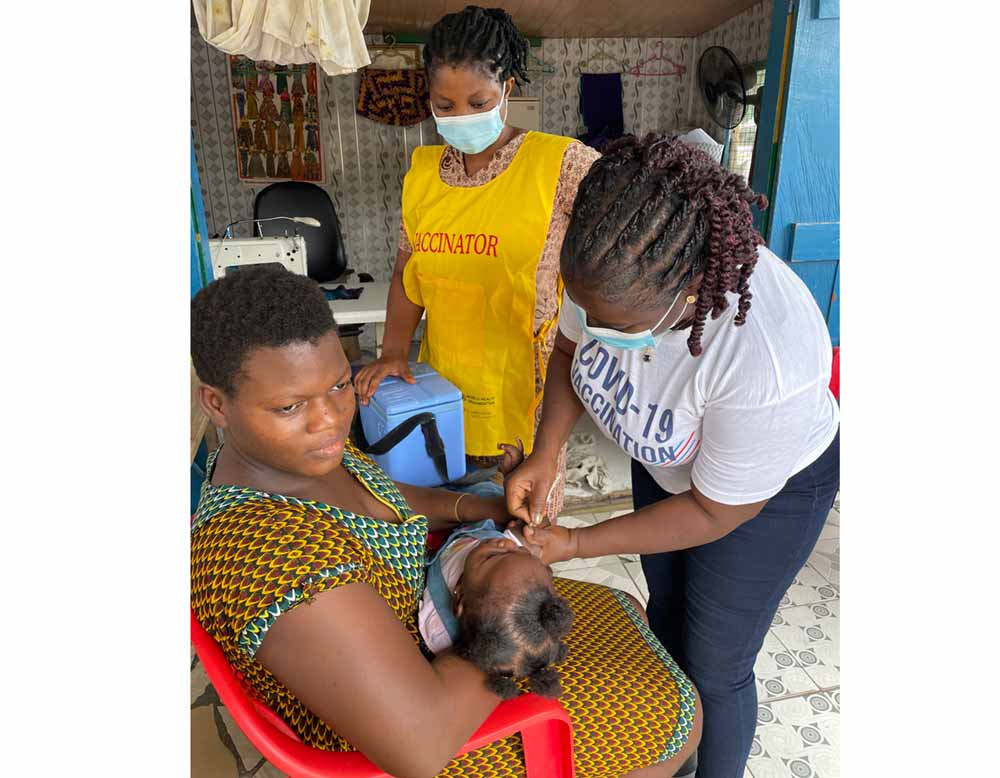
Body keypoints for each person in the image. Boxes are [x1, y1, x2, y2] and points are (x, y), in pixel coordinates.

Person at [190, 266, 701, 778]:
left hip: (426, 642)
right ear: (217, 403)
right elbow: (421, 746)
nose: (331, 418)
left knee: (622, 607)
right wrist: (510, 637)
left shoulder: (293, 458)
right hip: (414, 730)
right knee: (677, 717)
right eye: (289, 405)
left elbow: (382, 498)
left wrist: (481, 507)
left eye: (340, 384)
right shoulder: (276, 563)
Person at [505, 134, 840, 778]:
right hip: (672, 463)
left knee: (716, 665)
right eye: (588, 310)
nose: (598, 328)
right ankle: (677, 757)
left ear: (690, 293)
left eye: (622, 327)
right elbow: (572, 354)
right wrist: (545, 455)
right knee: (665, 624)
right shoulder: (609, 263)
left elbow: (715, 513)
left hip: (761, 500)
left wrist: (575, 545)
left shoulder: (765, 355)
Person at [354, 6, 602, 520]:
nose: (461, 115)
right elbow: (407, 270)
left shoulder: (563, 163)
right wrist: (394, 351)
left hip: (527, 390)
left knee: (519, 534)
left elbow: (618, 246)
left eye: (478, 101)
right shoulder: (422, 172)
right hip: (442, 387)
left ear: (507, 88)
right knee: (441, 517)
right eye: (445, 103)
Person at [418, 515, 574, 700]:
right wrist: (520, 535)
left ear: (459, 601)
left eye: (492, 557)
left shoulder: (438, 625)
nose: (507, 545)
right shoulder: (505, 569)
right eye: (528, 556)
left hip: (462, 535)